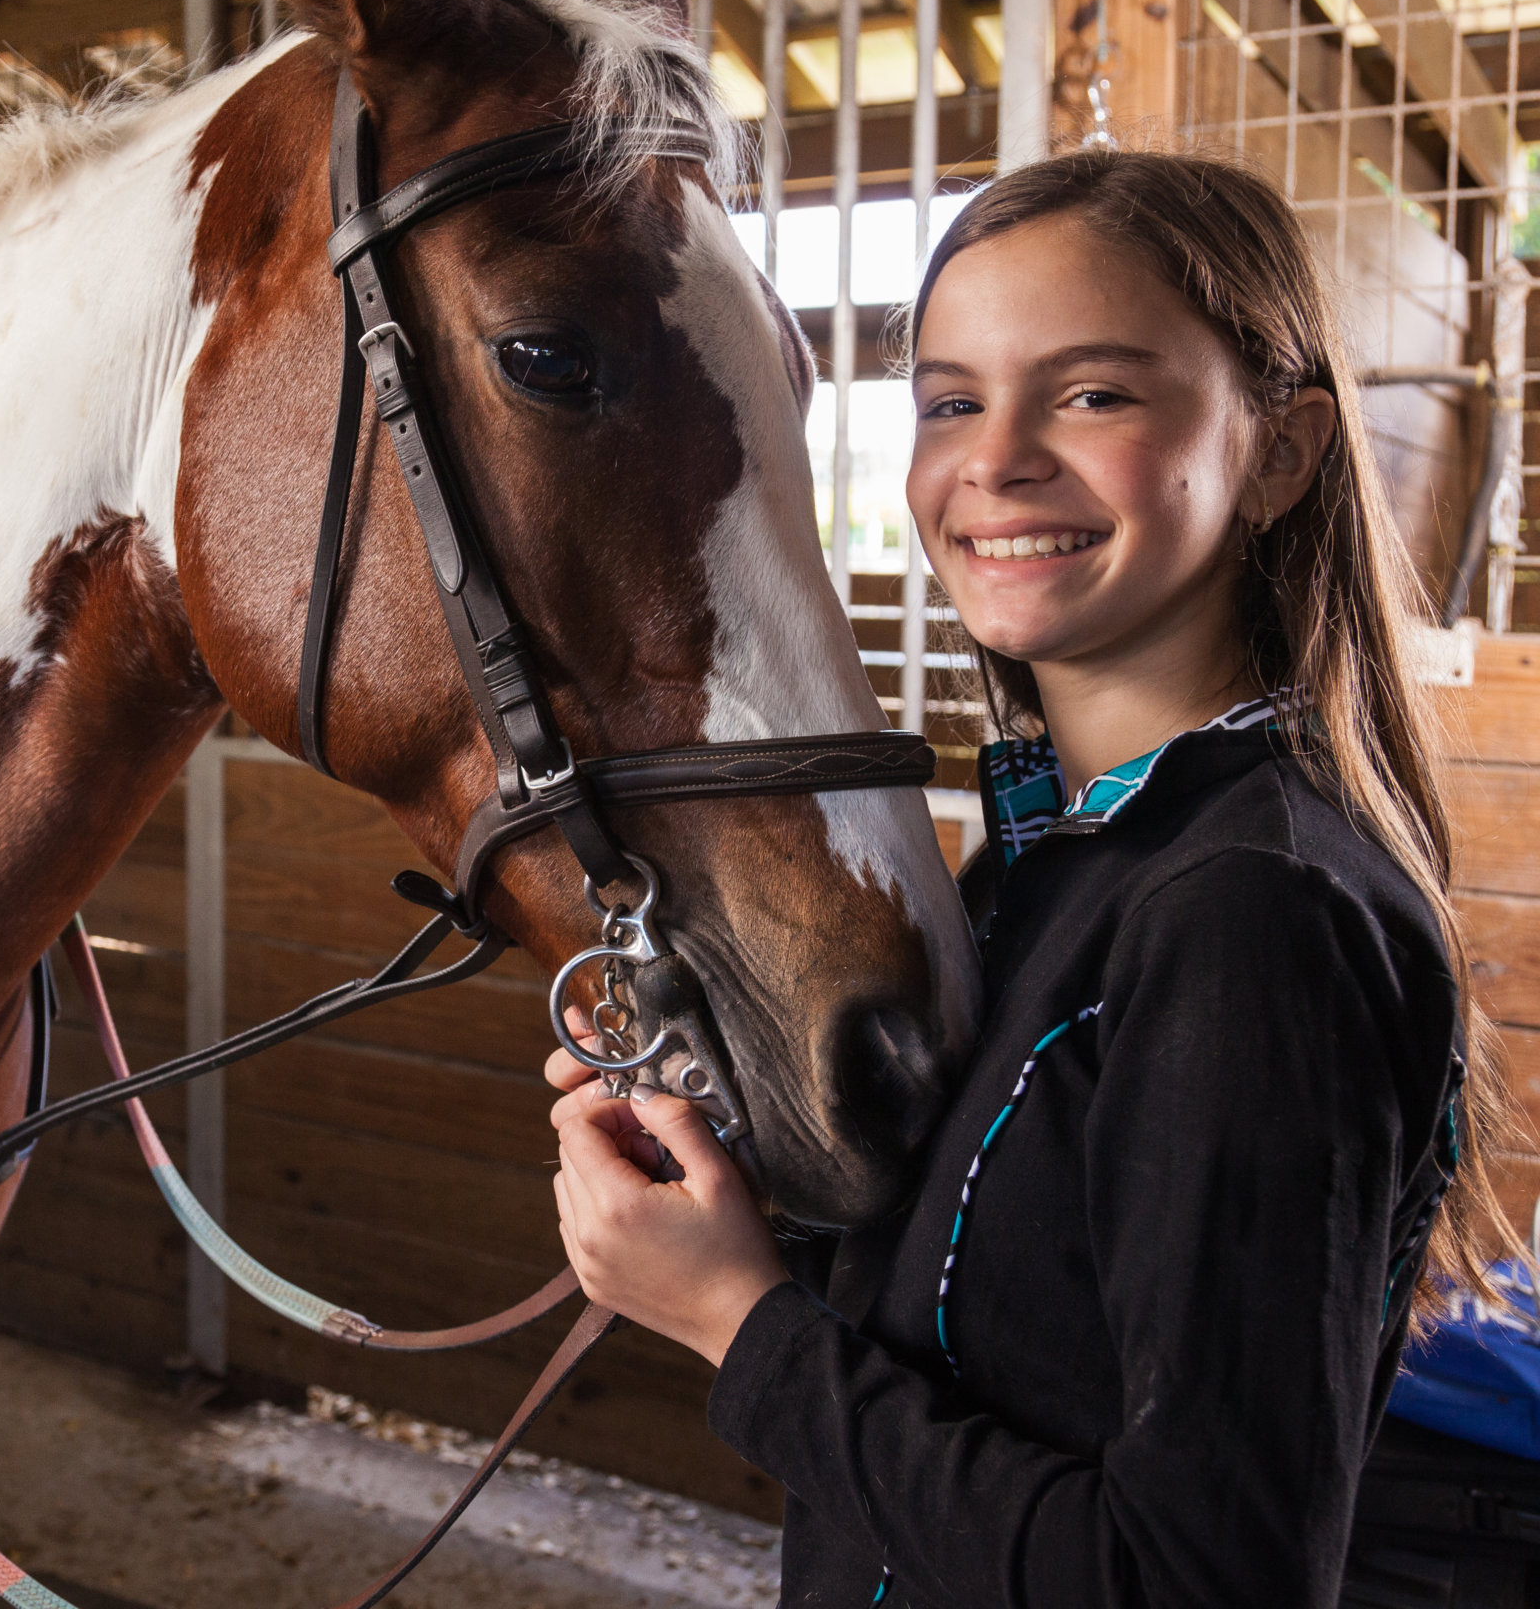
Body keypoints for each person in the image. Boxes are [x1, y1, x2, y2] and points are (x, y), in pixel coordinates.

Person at [551, 150, 1514, 1606]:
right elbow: (1005, 1321)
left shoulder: (1255, 912)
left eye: (1094, 394)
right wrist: (732, 1189)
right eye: (951, 401)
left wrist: (740, 1323)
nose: (994, 458)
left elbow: (1201, 1580)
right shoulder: (1048, 854)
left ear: (1286, 450)